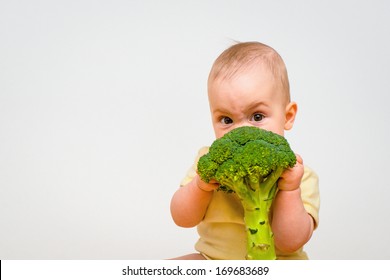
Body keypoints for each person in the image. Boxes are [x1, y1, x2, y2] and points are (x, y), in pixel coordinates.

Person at [170, 41, 320, 260]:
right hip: (214, 261)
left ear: (288, 116)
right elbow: (181, 218)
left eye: (257, 117)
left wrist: (290, 190)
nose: (241, 131)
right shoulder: (208, 163)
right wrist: (199, 187)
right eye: (226, 120)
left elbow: (291, 242)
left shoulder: (298, 174)